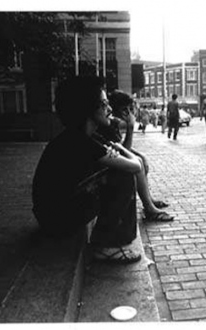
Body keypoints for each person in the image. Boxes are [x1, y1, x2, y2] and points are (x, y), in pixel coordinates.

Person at [32, 76, 143, 264]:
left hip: (50, 216)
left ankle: (114, 238)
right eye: (104, 104)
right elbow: (135, 165)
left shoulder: (81, 136)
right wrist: (121, 149)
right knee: (122, 176)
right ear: (88, 108)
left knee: (115, 173)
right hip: (57, 221)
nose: (109, 109)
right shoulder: (82, 142)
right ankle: (106, 246)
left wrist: (118, 149)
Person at [96, 90, 174, 222]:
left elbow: (118, 147)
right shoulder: (108, 125)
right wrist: (131, 128)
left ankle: (148, 198)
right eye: (125, 109)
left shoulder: (111, 123)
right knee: (138, 161)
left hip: (107, 163)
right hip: (105, 170)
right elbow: (121, 152)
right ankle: (148, 207)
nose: (128, 113)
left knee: (141, 158)